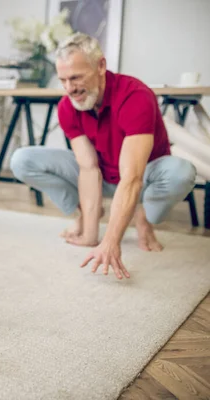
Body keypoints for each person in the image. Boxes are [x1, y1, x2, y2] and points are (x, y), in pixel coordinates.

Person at [10, 33, 196, 280]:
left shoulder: (135, 96)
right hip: (105, 175)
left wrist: (110, 242)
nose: (69, 88)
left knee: (182, 172)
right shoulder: (68, 105)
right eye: (63, 80)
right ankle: (88, 213)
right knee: (22, 160)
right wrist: (90, 235)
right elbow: (88, 168)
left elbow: (132, 177)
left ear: (101, 66)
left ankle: (143, 217)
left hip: (144, 178)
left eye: (76, 77)